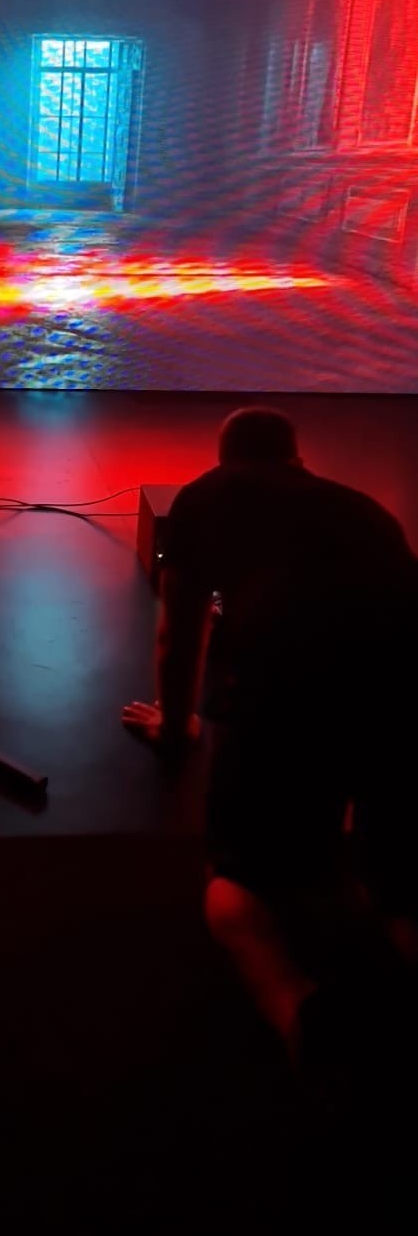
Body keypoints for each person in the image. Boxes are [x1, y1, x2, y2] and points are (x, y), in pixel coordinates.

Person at [122, 407, 418, 1077]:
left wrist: (176, 726)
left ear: (224, 457)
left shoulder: (203, 498)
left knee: (238, 880)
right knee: (399, 879)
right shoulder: (362, 509)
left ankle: (297, 1010)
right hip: (403, 686)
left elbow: (179, 637)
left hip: (290, 691)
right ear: (297, 457)